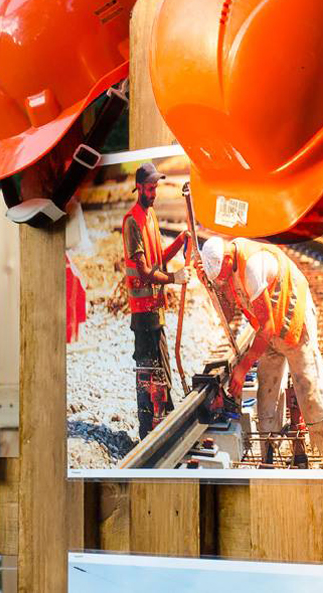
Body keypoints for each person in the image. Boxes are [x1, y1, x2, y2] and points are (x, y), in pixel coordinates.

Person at [199, 236, 323, 459]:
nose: (222, 280)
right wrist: (210, 287)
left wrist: (243, 366)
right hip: (270, 329)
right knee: (266, 388)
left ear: (227, 259)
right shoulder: (228, 267)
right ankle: (268, 452)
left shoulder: (253, 266)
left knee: (309, 388)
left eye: (221, 277)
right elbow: (229, 314)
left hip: (294, 319)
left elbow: (266, 327)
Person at [122, 161, 190, 438]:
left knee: (161, 370)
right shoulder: (132, 221)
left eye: (156, 188)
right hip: (142, 312)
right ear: (139, 188)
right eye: (150, 188)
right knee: (148, 372)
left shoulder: (150, 217)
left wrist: (182, 239)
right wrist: (175, 278)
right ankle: (146, 429)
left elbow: (158, 260)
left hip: (155, 311)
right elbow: (145, 272)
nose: (154, 192)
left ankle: (164, 420)